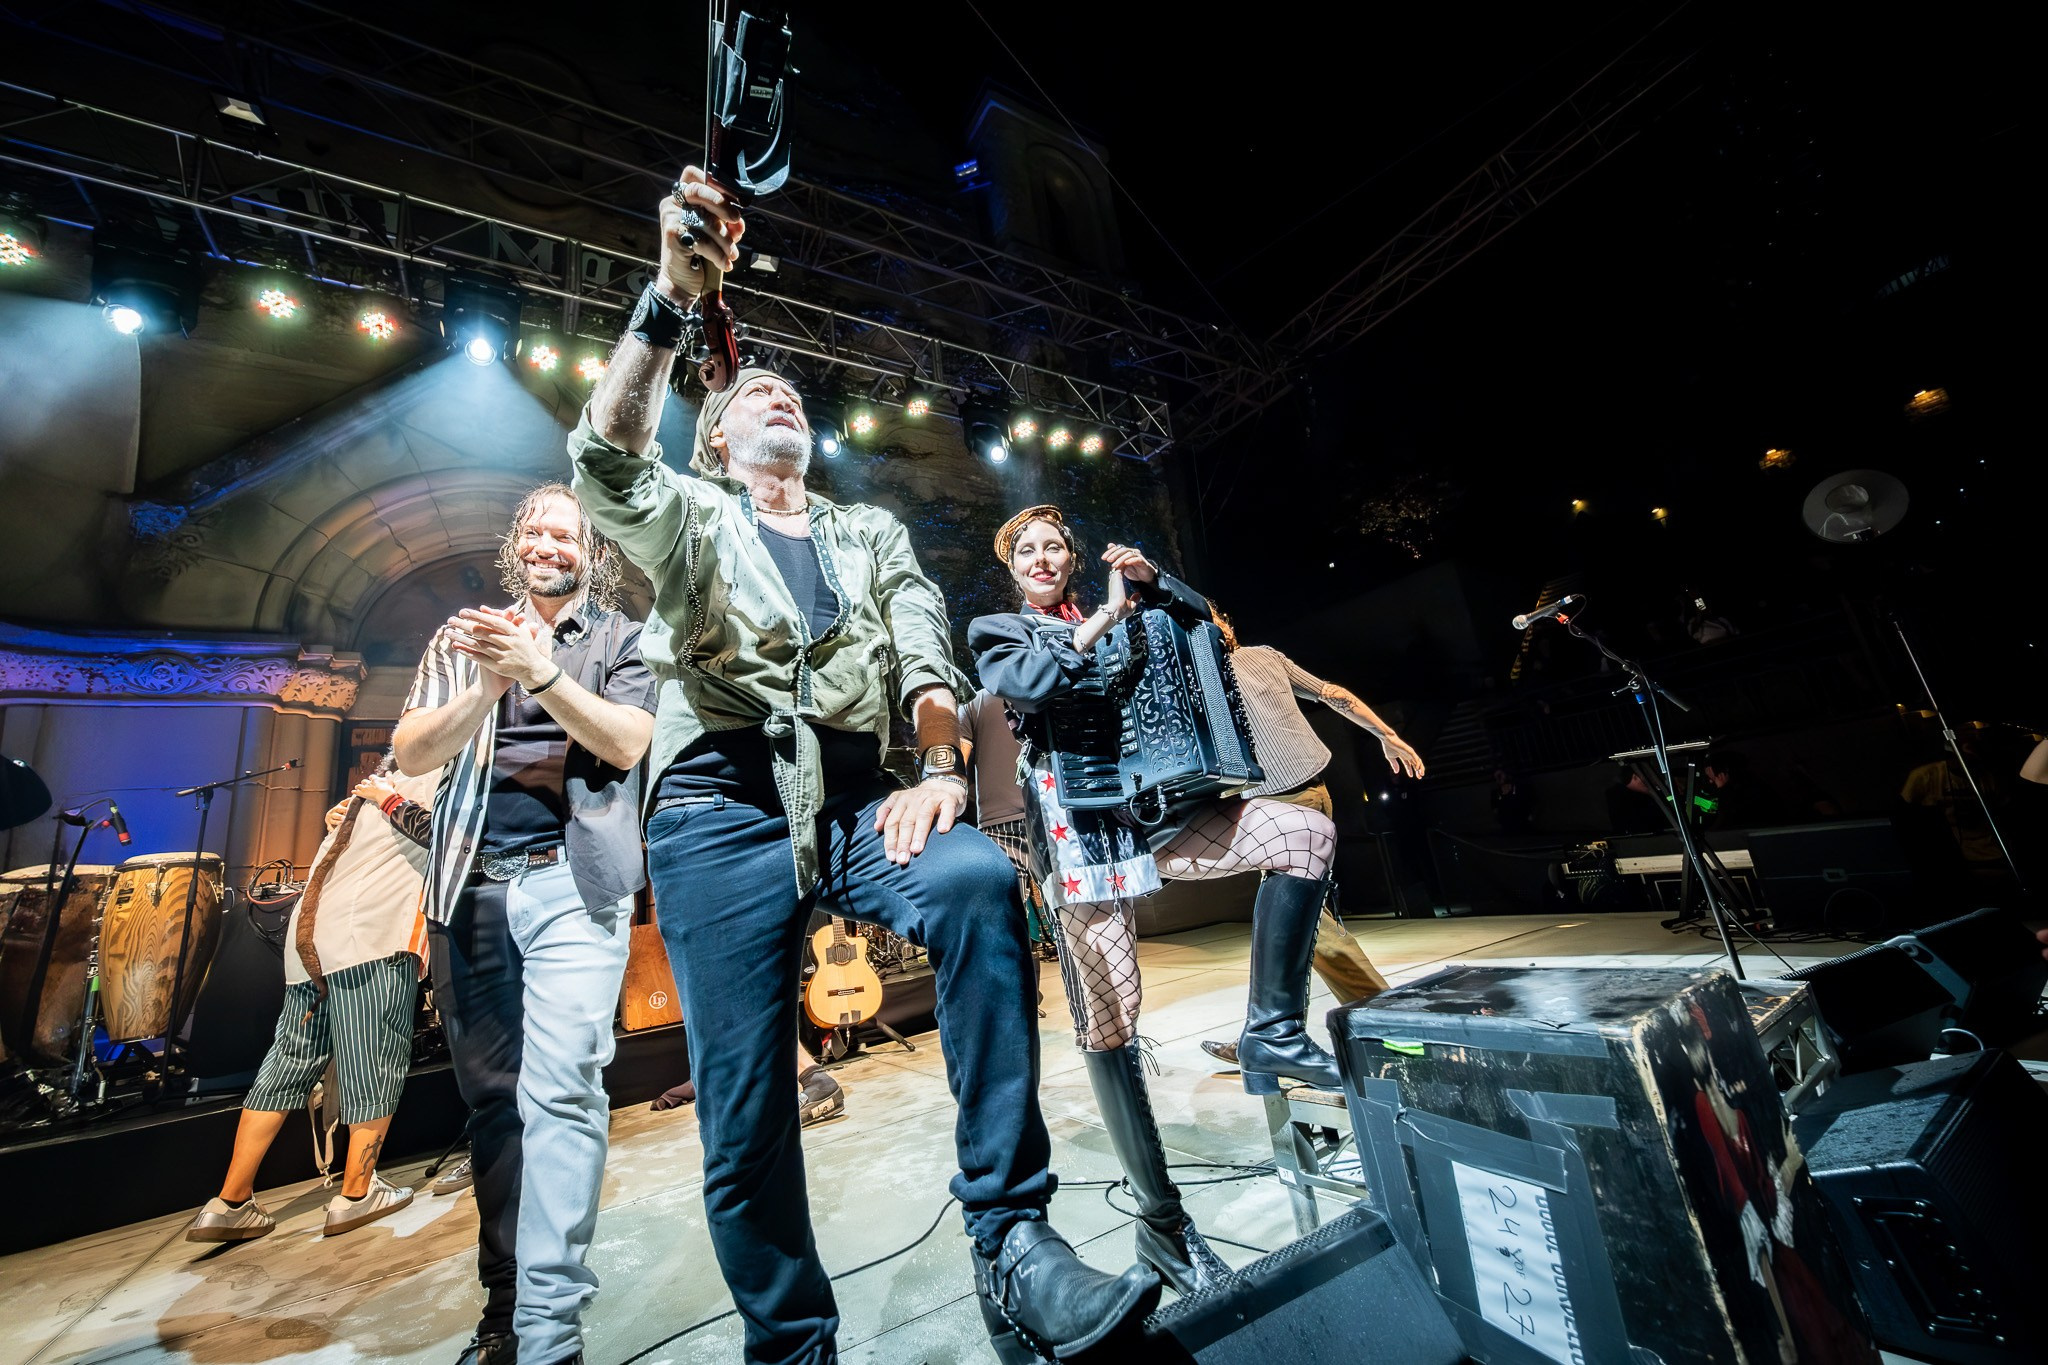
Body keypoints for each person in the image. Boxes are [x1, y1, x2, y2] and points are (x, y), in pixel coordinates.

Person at [565, 169, 1159, 1365]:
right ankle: (791, 1344)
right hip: (717, 805)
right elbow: (606, 453)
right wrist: (668, 302)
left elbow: (921, 651)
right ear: (721, 437)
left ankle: (1012, 1240)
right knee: (743, 1111)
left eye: (789, 389)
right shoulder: (689, 510)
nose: (775, 391)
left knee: (980, 886)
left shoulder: (865, 528)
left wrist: (939, 767)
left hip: (849, 795)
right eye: (752, 392)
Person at [967, 505, 1354, 1295]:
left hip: (1155, 807)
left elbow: (1209, 629)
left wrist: (1154, 580)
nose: (1043, 558)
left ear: (1072, 557)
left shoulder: (1121, 614)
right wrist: (1109, 613)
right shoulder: (998, 629)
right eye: (1027, 550)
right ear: (1013, 567)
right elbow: (1034, 684)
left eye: (1054, 547)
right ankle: (1163, 1227)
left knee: (1303, 835)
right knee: (1112, 1017)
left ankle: (1272, 1030)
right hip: (1077, 828)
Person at [394, 483, 658, 1365]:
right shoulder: (462, 634)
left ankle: (550, 1332)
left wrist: (542, 672)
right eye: (537, 529)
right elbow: (412, 752)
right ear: (517, 545)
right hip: (468, 888)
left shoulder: (622, 638)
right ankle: (505, 1311)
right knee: (494, 1105)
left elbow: (626, 742)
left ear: (592, 551)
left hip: (571, 888)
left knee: (565, 1094)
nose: (551, 542)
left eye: (567, 532)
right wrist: (488, 681)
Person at [184, 766, 436, 1243]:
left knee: (288, 1062)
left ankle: (230, 1201)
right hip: (371, 933)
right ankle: (358, 1193)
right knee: (375, 1060)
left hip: (310, 938)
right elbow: (445, 837)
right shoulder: (429, 775)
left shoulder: (377, 784)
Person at [1191, 628, 1426, 1070]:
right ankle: (1263, 1032)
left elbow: (1329, 694)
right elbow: (1331, 694)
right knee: (1283, 928)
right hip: (1307, 796)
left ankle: (1393, 1027)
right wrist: (1385, 733)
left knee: (1312, 932)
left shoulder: (1208, 671)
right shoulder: (1263, 656)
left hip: (1286, 806)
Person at [961, 687, 1060, 961]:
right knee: (1071, 917)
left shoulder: (974, 701)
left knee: (1006, 928)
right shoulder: (1042, 680)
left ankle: (1021, 1003)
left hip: (999, 822)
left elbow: (957, 767)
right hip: (1053, 812)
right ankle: (1087, 1001)